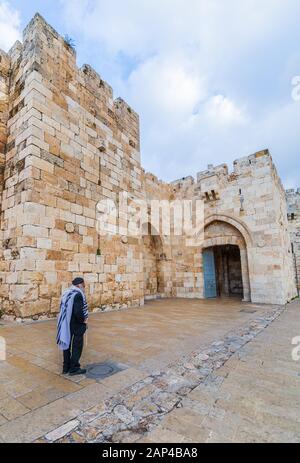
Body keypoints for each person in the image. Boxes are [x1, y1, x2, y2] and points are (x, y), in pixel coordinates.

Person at [56, 277, 89, 375]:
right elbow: (78, 312)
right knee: (77, 346)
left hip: (66, 322)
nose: (84, 288)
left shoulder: (67, 292)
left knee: (67, 344)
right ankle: (74, 368)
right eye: (84, 286)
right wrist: (84, 322)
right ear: (79, 285)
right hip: (76, 324)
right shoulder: (78, 294)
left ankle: (65, 367)